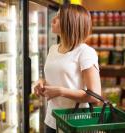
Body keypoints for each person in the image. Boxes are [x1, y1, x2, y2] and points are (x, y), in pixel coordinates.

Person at [33, 4, 101, 133]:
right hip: (52, 119)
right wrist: (41, 81)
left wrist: (60, 91)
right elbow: (57, 77)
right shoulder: (53, 49)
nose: (53, 19)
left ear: (70, 23)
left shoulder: (85, 52)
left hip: (75, 121)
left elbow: (95, 96)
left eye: (58, 17)